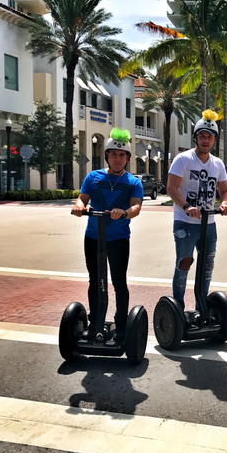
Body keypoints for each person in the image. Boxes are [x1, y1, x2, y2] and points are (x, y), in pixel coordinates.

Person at [71, 128, 143, 342]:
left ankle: (121, 324)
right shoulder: (93, 177)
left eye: (122, 155)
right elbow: (82, 198)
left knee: (119, 282)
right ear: (107, 156)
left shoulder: (133, 183)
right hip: (93, 237)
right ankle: (96, 322)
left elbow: (136, 208)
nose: (117, 158)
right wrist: (78, 206)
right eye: (113, 154)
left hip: (119, 239)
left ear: (127, 158)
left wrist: (124, 213)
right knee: (95, 280)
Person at [167, 109, 227, 316]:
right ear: (196, 137)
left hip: (209, 224)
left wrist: (224, 203)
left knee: (206, 268)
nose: (206, 140)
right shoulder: (183, 159)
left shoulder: (217, 164)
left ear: (214, 140)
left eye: (210, 137)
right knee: (184, 265)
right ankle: (177, 308)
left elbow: (225, 190)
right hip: (185, 223)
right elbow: (171, 188)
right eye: (202, 136)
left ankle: (201, 308)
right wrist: (186, 207)